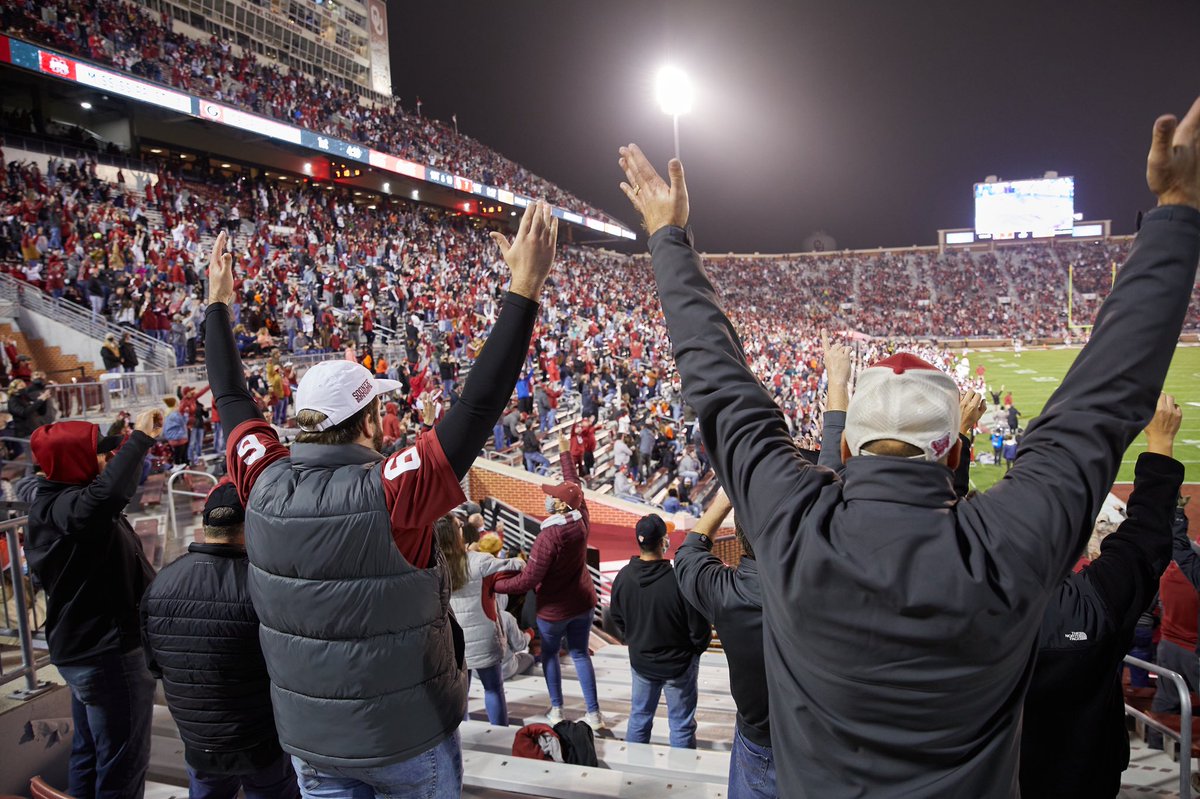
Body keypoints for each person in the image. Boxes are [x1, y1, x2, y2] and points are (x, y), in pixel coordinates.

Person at [615, 93, 1200, 796]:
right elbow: (1101, 405)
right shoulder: (1001, 545)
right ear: (954, 449)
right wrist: (1176, 210)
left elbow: (720, 389)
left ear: (853, 445)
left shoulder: (797, 530)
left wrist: (668, 239)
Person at [205, 201, 557, 797]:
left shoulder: (262, 480)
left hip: (311, 742)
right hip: (408, 737)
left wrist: (216, 306)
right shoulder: (391, 491)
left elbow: (230, 399)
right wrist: (524, 288)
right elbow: (476, 408)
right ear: (367, 422)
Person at [1020, 393, 1185, 798]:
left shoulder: (972, 593)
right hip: (1085, 777)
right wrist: (1160, 446)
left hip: (998, 775)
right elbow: (1145, 540)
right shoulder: (1094, 601)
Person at [24, 411, 163, 799]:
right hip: (108, 657)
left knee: (89, 753)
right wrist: (140, 440)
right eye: (98, 454)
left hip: (88, 654)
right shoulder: (69, 510)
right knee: (123, 763)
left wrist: (129, 440)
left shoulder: (62, 503)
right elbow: (109, 494)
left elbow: (112, 490)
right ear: (73, 462)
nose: (104, 461)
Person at [141, 481, 299, 799]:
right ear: (251, 525)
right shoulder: (264, 584)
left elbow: (155, 664)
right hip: (260, 741)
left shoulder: (162, 582)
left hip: (198, 740)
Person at [494, 439, 603, 729]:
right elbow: (573, 484)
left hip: (554, 611)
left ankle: (557, 709)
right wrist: (565, 453)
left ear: (560, 504)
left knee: (551, 655)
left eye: (553, 496)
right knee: (580, 655)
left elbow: (529, 579)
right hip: (583, 603)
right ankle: (594, 714)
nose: (549, 498)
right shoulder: (581, 520)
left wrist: (497, 587)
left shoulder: (548, 537)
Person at [675, 490, 775, 797]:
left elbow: (688, 553)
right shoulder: (827, 586)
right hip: (823, 741)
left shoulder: (727, 594)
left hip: (761, 742)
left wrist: (724, 498)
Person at [608, 514, 711, 748]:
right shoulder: (677, 579)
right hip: (678, 665)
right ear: (663, 541)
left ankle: (634, 778)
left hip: (642, 662)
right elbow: (699, 627)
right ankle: (683, 783)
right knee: (681, 725)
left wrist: (635, 640)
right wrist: (694, 651)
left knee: (639, 719)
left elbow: (616, 619)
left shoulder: (623, 577)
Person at [436, 513, 525, 726]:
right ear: (454, 534)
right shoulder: (479, 561)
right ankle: (500, 734)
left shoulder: (434, 566)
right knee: (493, 689)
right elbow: (516, 566)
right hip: (484, 636)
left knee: (460, 694)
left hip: (454, 639)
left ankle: (463, 735)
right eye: (459, 527)